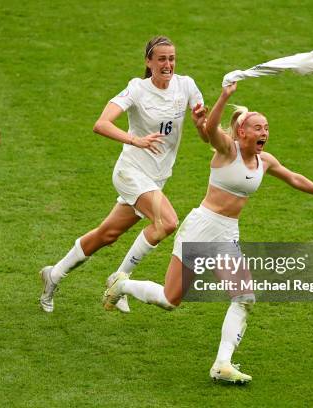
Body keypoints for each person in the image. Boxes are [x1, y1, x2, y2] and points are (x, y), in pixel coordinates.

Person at [103, 81, 313, 383]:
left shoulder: (265, 161)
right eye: (258, 127)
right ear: (242, 133)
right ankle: (122, 285)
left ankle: (222, 364)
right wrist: (224, 95)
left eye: (266, 128)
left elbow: (293, 178)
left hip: (226, 233)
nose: (264, 133)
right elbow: (209, 129)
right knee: (171, 300)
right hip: (201, 228)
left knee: (244, 297)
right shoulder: (226, 150)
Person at [39, 36, 208, 313]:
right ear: (149, 62)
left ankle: (53, 275)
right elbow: (101, 124)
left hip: (156, 178)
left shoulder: (186, 85)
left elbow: (206, 136)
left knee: (108, 234)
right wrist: (135, 141)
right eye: (162, 59)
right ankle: (119, 281)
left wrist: (202, 124)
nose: (168, 64)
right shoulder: (137, 89)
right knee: (167, 222)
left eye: (172, 58)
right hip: (131, 172)